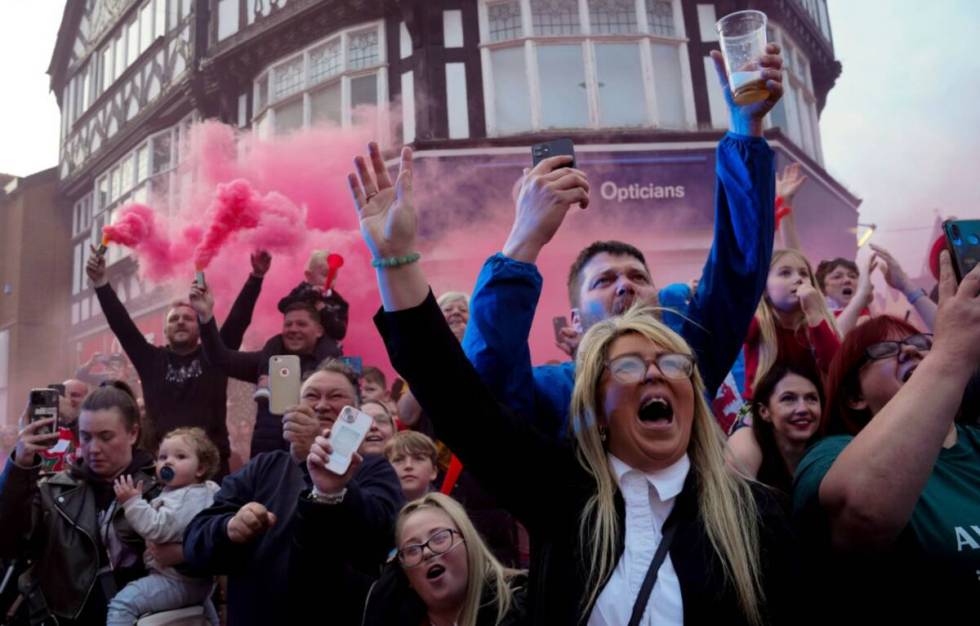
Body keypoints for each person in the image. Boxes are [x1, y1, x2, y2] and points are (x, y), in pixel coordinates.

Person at [349, 135, 801, 624]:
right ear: (594, 403)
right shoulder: (563, 491)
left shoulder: (752, 516)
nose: (655, 372)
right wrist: (397, 260)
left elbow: (737, 271)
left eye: (672, 364)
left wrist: (746, 129)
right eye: (626, 367)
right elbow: (462, 397)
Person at [462, 44, 785, 441]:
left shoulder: (691, 358)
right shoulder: (555, 391)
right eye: (603, 281)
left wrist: (745, 130)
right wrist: (523, 239)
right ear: (576, 321)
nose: (625, 285)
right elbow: (483, 391)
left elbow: (738, 266)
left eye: (638, 276)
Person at [793, 255, 980, 622]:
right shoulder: (829, 456)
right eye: (885, 350)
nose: (911, 350)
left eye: (921, 342)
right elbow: (862, 512)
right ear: (854, 396)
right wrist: (950, 355)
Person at [182, 361, 403, 626]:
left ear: (354, 410)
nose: (321, 405)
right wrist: (229, 528)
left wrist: (327, 477)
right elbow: (195, 543)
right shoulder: (263, 467)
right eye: (311, 396)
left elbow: (379, 538)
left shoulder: (373, 468)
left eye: (336, 397)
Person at [85, 249, 273, 475]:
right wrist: (101, 283)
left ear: (200, 325)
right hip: (163, 467)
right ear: (165, 330)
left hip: (210, 469)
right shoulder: (150, 360)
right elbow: (122, 325)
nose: (181, 322)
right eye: (174, 319)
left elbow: (237, 321)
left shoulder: (216, 356)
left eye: (188, 318)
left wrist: (256, 277)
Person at [0, 385, 159, 625]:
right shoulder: (54, 490)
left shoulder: (159, 492)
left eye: (106, 437)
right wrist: (20, 466)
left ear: (133, 433)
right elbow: (9, 542)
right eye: (86, 437)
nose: (93, 449)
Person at [291, 489, 526, 625]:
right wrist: (324, 493)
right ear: (408, 578)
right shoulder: (383, 612)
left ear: (469, 543)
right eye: (412, 549)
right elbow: (314, 584)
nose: (427, 551)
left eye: (439, 537)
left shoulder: (525, 604)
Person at [191, 281, 336, 457]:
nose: (293, 329)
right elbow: (219, 358)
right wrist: (205, 316)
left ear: (319, 331)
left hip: (314, 459)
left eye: (301, 324)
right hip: (266, 462)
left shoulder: (333, 369)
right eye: (288, 325)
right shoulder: (267, 361)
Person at [106, 427, 221, 626]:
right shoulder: (203, 490)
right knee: (206, 616)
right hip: (198, 583)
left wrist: (132, 503)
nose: (168, 461)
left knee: (122, 604)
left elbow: (157, 528)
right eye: (162, 456)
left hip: (176, 580)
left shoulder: (187, 498)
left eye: (180, 456)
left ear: (200, 468)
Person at [743, 248, 840, 399]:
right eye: (785, 273)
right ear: (765, 290)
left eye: (803, 274)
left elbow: (836, 366)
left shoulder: (817, 324)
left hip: (811, 409)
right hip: (762, 411)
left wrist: (814, 313)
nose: (799, 279)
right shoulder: (758, 322)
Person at [727, 363, 823, 497]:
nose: (803, 409)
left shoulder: (830, 452)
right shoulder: (748, 449)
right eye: (788, 399)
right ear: (764, 412)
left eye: (811, 398)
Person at [276, 249, 349, 356]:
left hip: (323, 345)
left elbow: (340, 333)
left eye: (333, 277)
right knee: (273, 345)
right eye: (325, 275)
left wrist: (324, 311)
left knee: (331, 352)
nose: (330, 281)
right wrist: (309, 295)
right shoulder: (302, 291)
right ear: (309, 276)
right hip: (295, 339)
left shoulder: (339, 302)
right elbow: (282, 306)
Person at [385, 431, 440, 501]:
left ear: (433, 472)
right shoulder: (374, 507)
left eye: (418, 458)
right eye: (398, 460)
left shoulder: (449, 510)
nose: (408, 465)